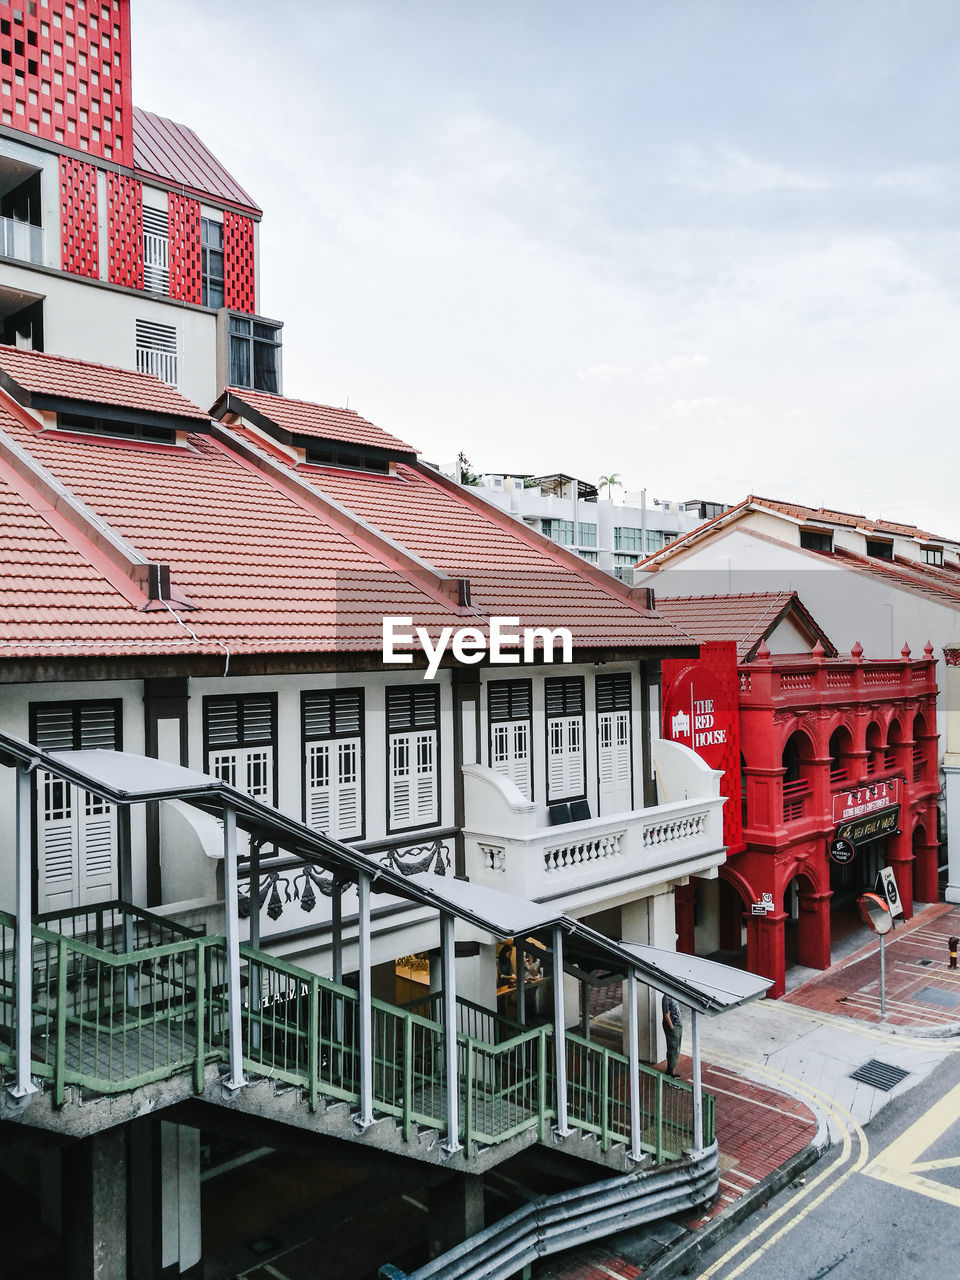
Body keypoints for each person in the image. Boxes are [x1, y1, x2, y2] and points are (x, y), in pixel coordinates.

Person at [662, 993, 683, 1077]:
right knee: (673, 1050)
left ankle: (669, 1070)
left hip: (678, 1025)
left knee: (675, 1048)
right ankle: (672, 1074)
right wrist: (672, 1027)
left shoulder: (674, 995)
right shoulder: (667, 997)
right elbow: (666, 1015)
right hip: (673, 1026)